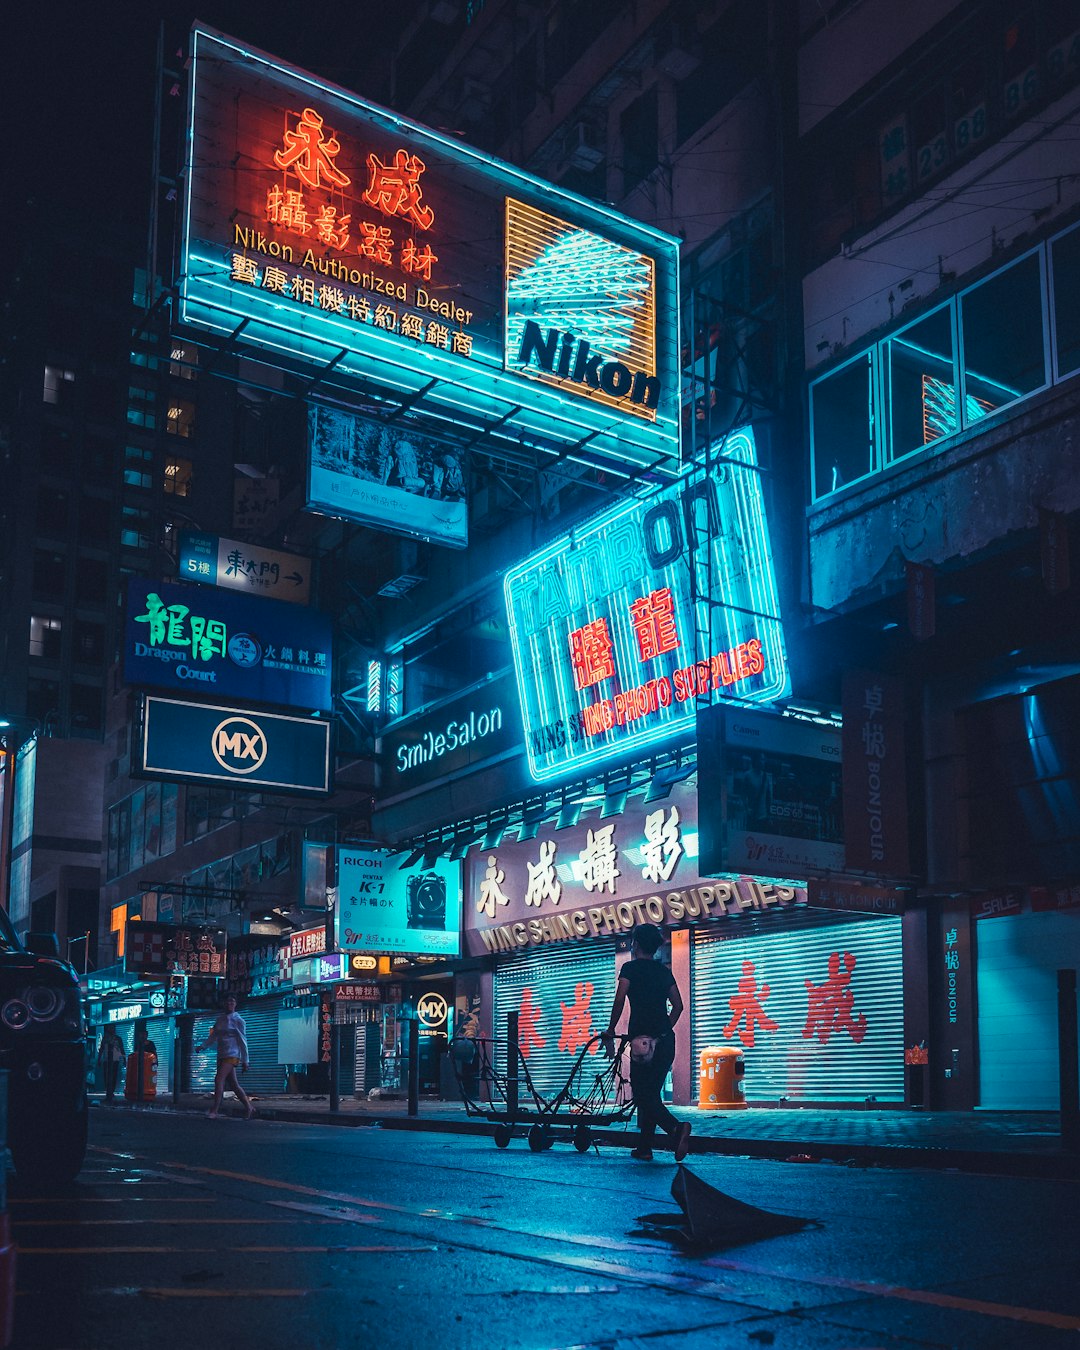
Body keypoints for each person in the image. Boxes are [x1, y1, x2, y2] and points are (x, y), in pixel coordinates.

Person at [602, 923, 691, 1162]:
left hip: (642, 1044)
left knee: (643, 1094)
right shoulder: (663, 971)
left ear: (636, 944)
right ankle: (644, 1148)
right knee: (651, 1093)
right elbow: (679, 1006)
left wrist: (610, 1029)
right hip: (664, 1042)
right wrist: (661, 1031)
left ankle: (676, 1129)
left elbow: (619, 1000)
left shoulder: (629, 968)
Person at [199, 994, 255, 1119]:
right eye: (227, 1001)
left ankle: (215, 1110)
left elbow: (243, 1040)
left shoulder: (238, 1020)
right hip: (222, 1054)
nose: (229, 1003)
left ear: (235, 1004)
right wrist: (203, 1046)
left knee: (219, 1079)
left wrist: (246, 1060)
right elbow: (213, 1036)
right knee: (234, 1084)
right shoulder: (220, 1019)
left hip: (232, 1054)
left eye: (232, 1001)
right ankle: (249, 1107)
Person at [97, 1026, 124, 1103]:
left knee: (114, 1076)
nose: (112, 1030)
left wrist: (124, 1059)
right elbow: (101, 1049)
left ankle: (111, 1091)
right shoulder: (105, 1039)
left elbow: (122, 1049)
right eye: (110, 1028)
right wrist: (99, 1059)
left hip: (115, 1060)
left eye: (113, 1028)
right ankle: (108, 1091)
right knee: (107, 1076)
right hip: (107, 1060)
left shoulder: (118, 1039)